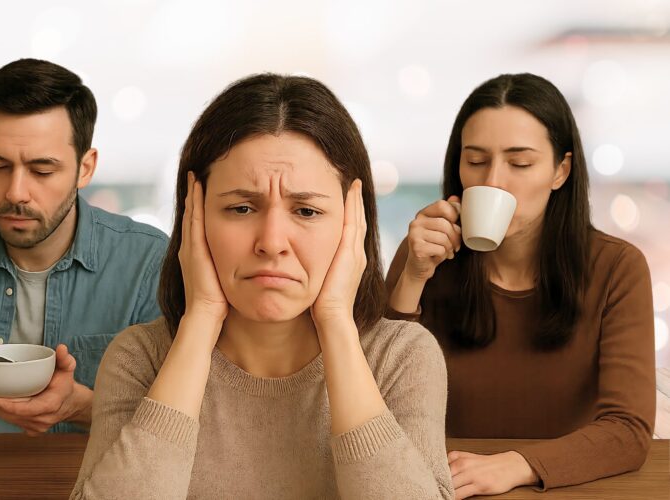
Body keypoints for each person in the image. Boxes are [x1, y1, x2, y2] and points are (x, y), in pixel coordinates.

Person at [71, 74, 454, 499]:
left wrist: (336, 323)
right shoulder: (138, 359)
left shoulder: (402, 359)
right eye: (241, 207)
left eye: (306, 211)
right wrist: (200, 319)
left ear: (352, 223)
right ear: (192, 214)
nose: (271, 242)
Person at [385, 73, 655, 498]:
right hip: (446, 489)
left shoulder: (617, 268)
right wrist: (413, 278)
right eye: (475, 161)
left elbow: (628, 430)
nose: (493, 180)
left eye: (520, 163)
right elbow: (373, 407)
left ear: (560, 171)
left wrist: (520, 464)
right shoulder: (424, 256)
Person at [0, 58, 168, 434]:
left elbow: (176, 421)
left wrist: (82, 406)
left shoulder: (147, 263)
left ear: (85, 168)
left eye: (42, 171)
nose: (15, 192)